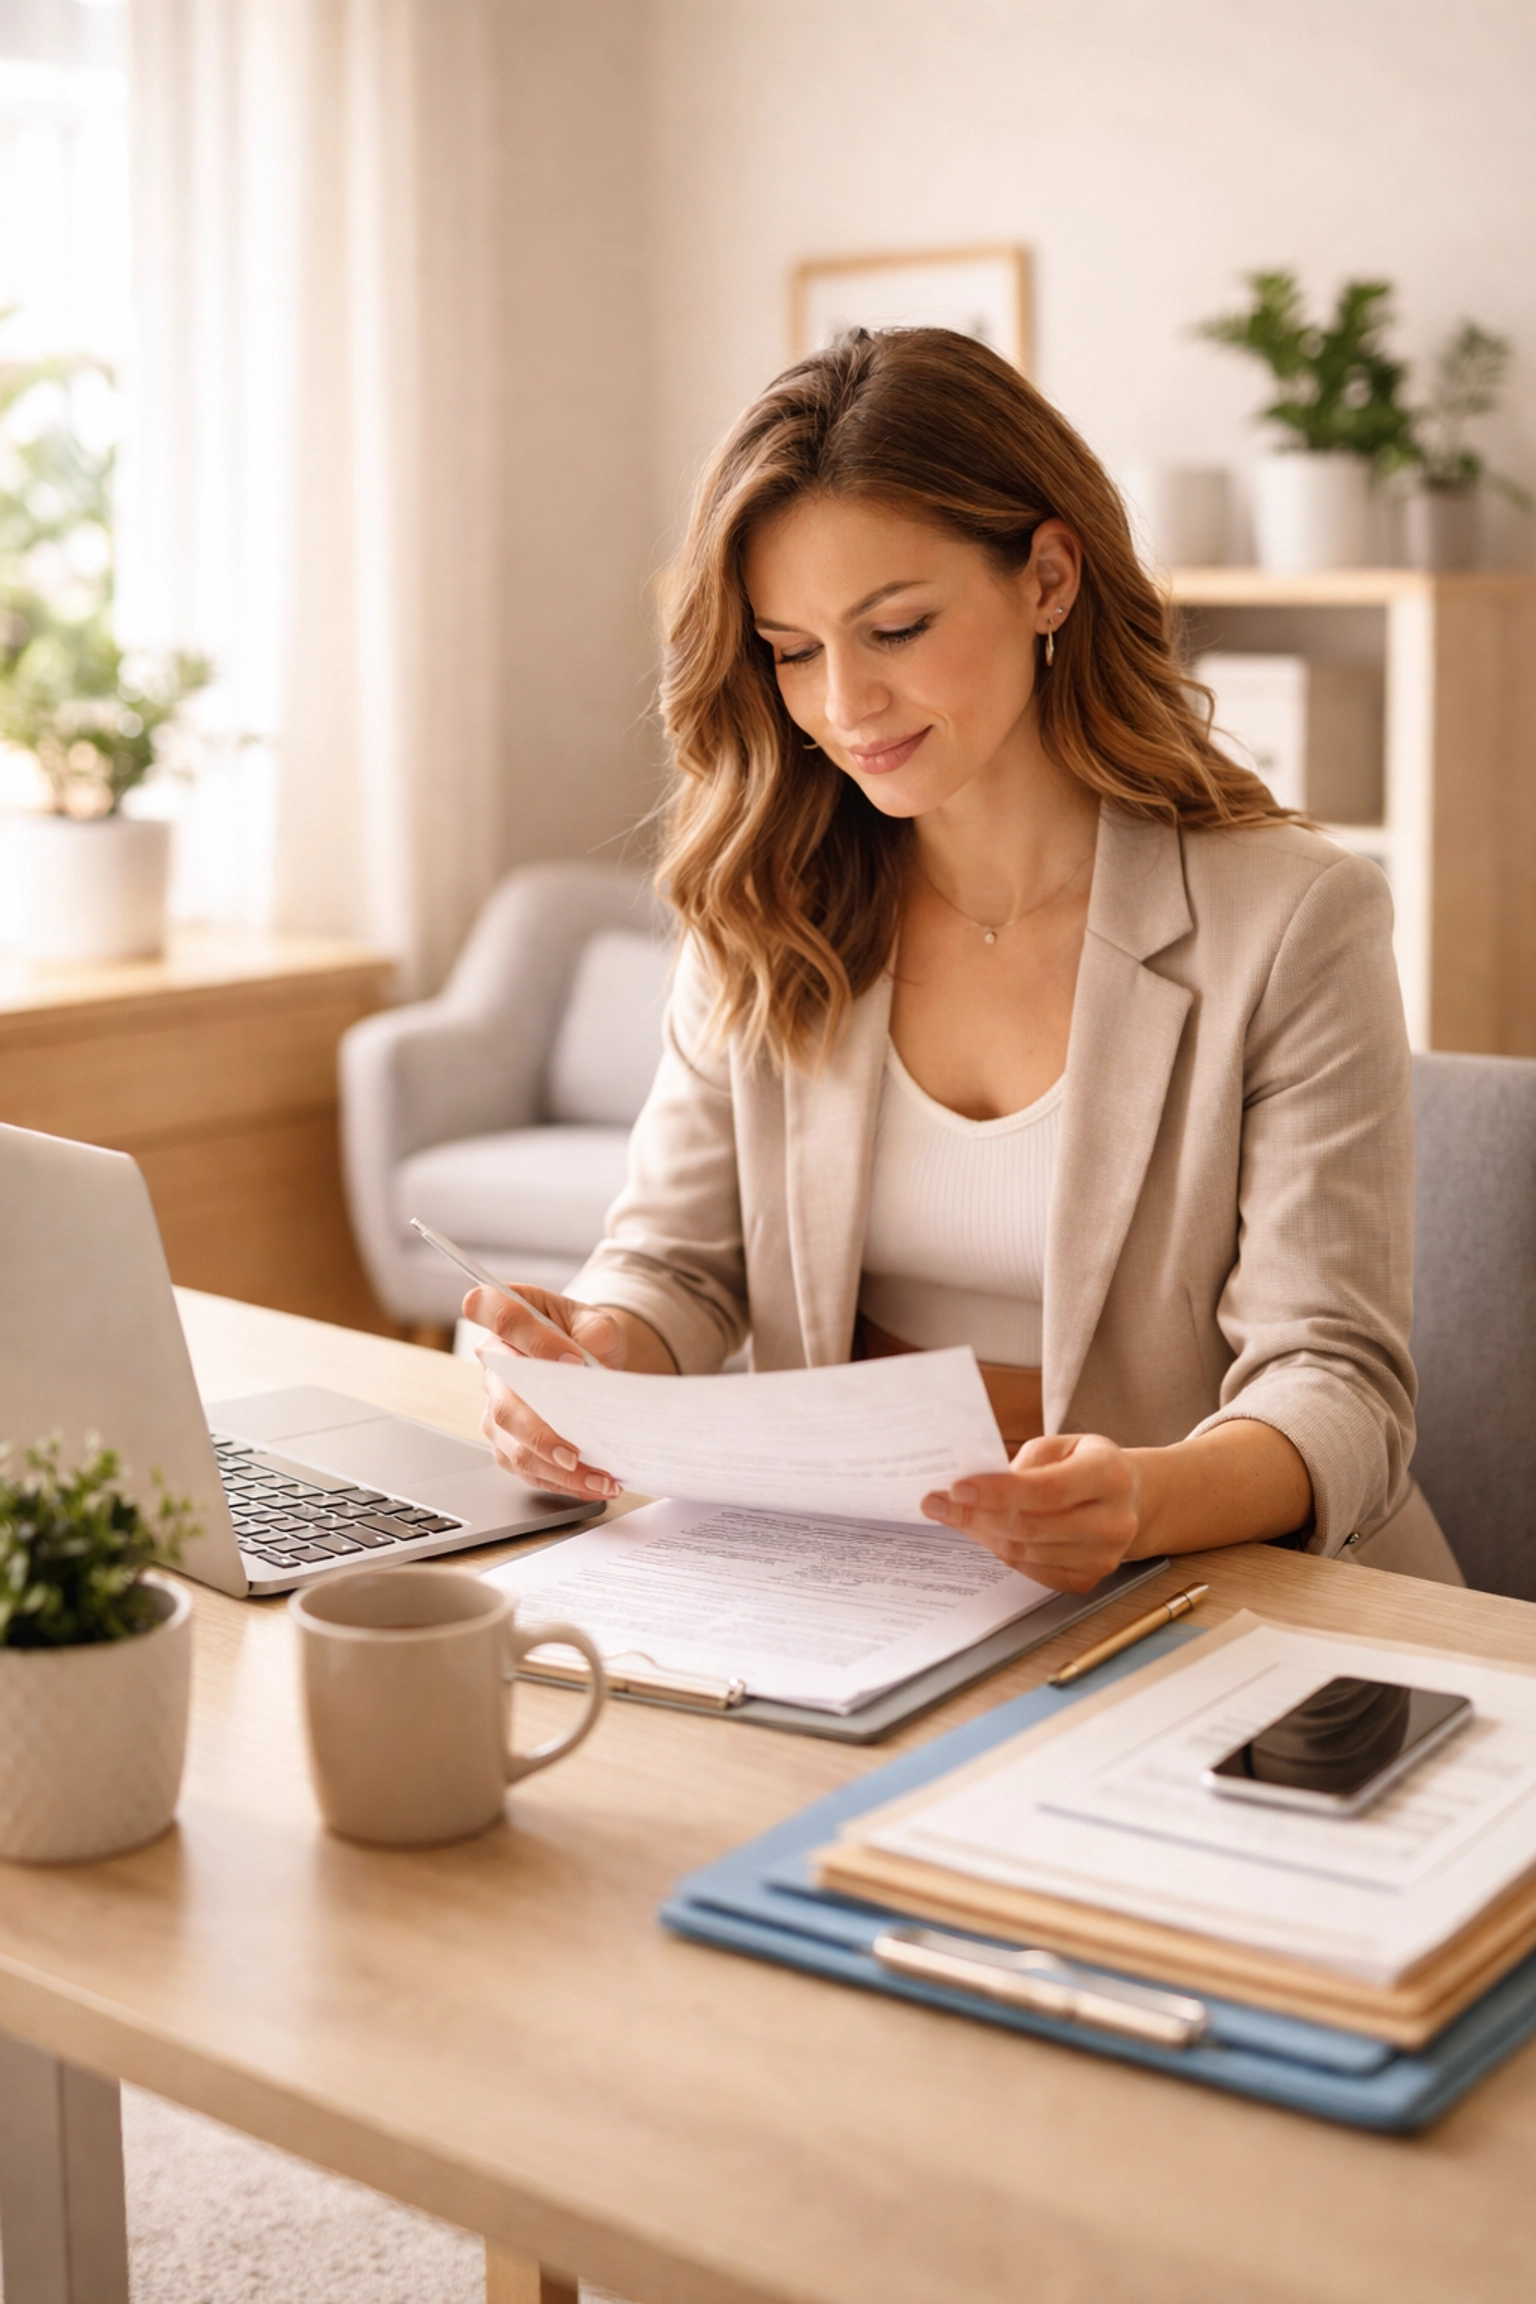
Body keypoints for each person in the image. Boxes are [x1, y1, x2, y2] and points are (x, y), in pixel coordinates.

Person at [466, 326, 1460, 1593]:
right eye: (794, 649)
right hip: (871, 1574)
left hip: (1213, 1584)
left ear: (1048, 578)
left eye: (896, 627)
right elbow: (676, 1262)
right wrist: (597, 1357)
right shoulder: (771, 900)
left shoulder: (1295, 921)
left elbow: (1336, 1382)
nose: (844, 708)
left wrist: (1141, 1499)